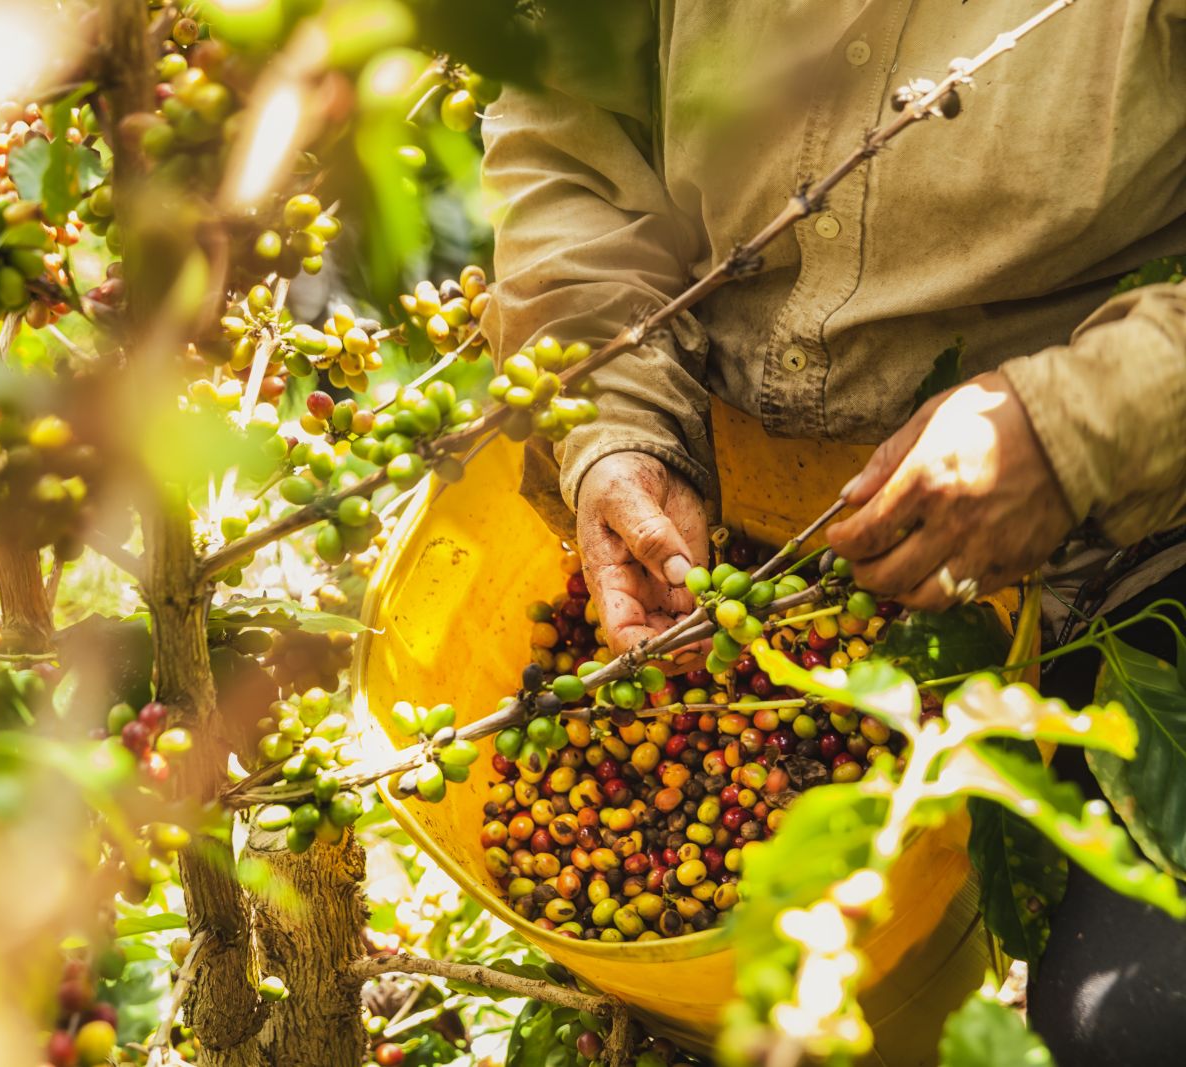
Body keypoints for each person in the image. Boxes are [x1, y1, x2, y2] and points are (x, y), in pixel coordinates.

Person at [480, 3, 1186, 1064]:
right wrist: (616, 417)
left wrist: (1076, 424)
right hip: (747, 517)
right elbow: (570, 128)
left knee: (1133, 1027)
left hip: (1133, 533)